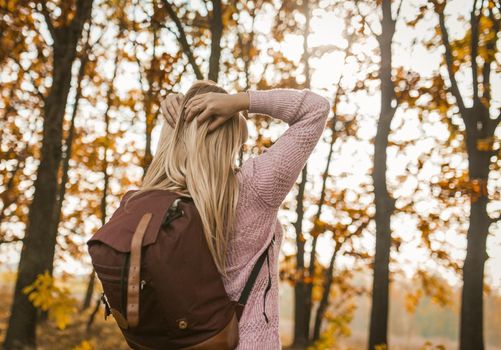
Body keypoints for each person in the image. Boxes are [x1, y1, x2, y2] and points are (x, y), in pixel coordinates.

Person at [144, 80, 330, 349]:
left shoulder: (157, 200)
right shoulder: (253, 189)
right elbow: (315, 109)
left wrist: (177, 120)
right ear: (229, 137)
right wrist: (241, 101)